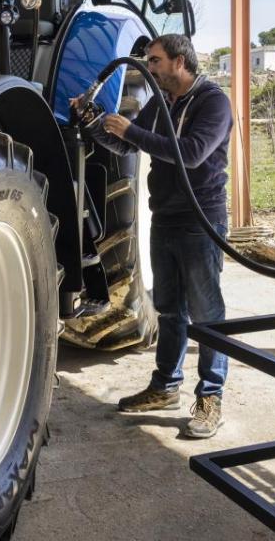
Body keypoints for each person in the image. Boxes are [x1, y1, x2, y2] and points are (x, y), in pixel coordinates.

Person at [77, 34, 233, 439]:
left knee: (207, 313)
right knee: (169, 310)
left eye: (156, 61)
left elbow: (192, 152)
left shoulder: (213, 102)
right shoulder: (161, 102)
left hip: (201, 220)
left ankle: (210, 397)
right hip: (165, 217)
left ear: (180, 61)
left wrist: (130, 130)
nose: (151, 67)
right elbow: (125, 144)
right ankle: (165, 387)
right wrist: (94, 124)